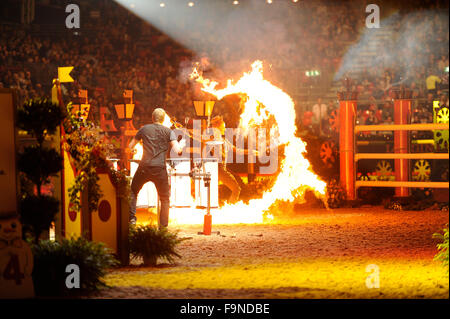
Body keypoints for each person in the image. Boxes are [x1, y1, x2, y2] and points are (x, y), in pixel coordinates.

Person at [128, 108, 185, 227]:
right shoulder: (169, 131)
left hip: (144, 167)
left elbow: (130, 146)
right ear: (164, 119)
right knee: (164, 198)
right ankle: (163, 227)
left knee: (133, 191)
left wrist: (134, 149)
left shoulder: (144, 129)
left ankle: (132, 219)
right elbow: (177, 150)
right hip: (159, 168)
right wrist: (182, 144)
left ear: (152, 118)